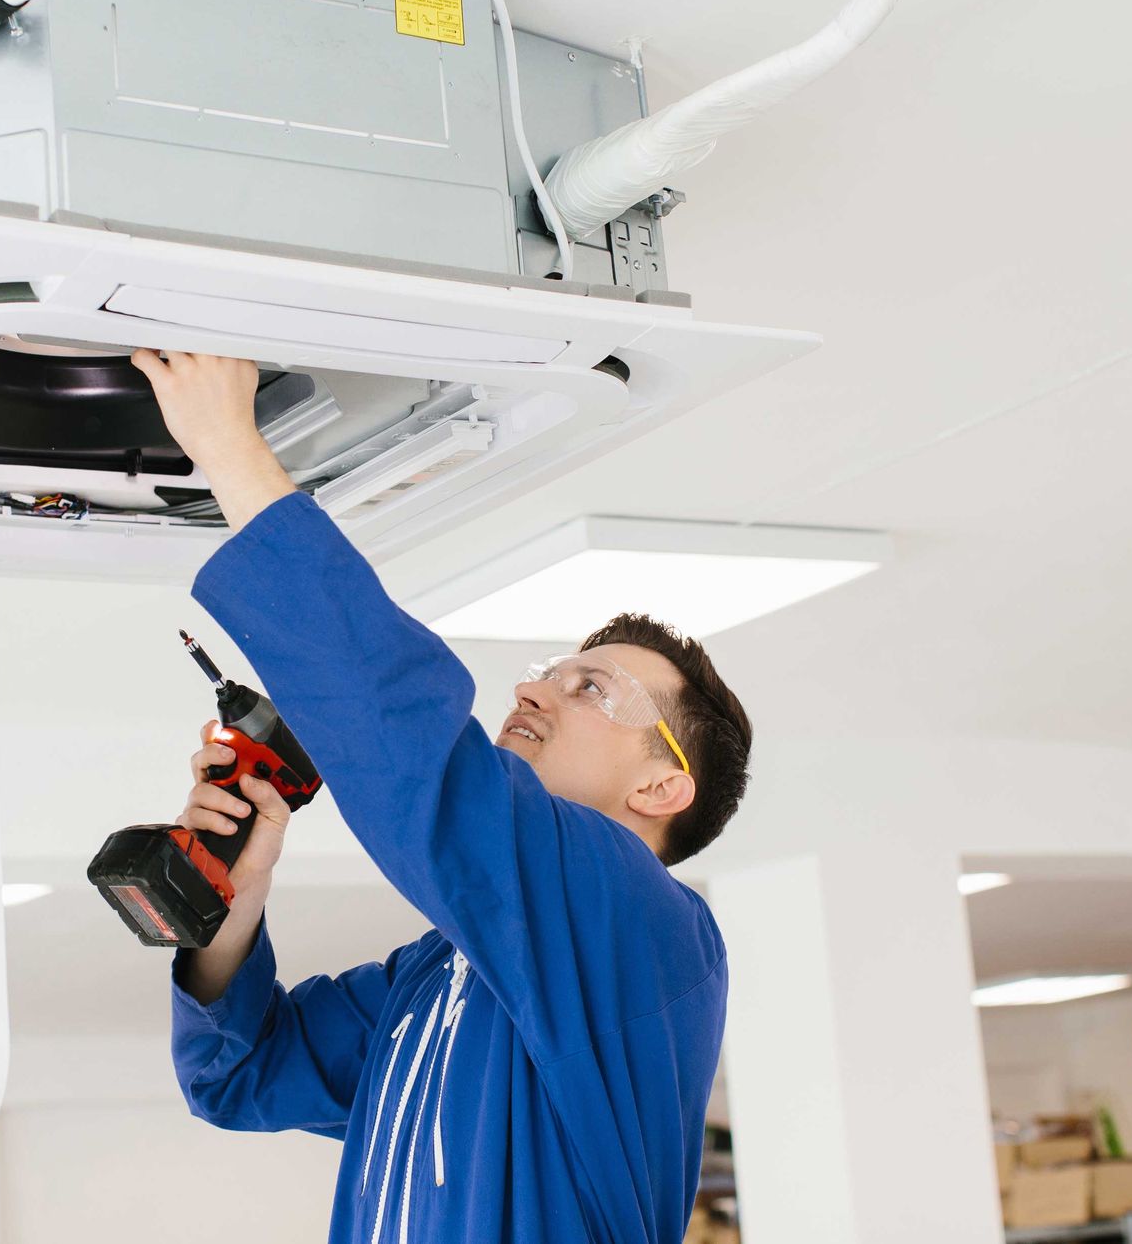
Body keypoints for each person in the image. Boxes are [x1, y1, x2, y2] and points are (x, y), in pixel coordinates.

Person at [127, 348, 755, 1244]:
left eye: (592, 690)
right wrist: (240, 892)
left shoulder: (649, 926)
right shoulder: (438, 976)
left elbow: (420, 757)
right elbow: (243, 1076)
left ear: (663, 785)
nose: (531, 692)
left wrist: (230, 446)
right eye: (547, 674)